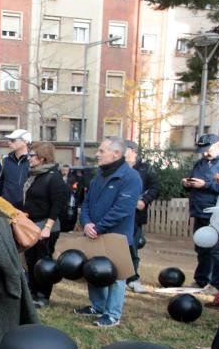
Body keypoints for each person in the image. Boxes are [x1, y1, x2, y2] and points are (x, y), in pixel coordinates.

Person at [75, 137, 142, 328]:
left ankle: (112, 314)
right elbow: (86, 202)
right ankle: (97, 306)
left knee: (116, 275)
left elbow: (123, 209)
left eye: (102, 151)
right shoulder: (99, 177)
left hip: (117, 236)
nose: (97, 154)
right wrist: (86, 223)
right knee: (93, 269)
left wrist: (98, 227)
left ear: (116, 154)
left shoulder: (130, 177)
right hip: (94, 233)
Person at [20, 142, 68, 307]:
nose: (29, 158)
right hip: (31, 225)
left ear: (42, 158)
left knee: (44, 263)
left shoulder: (53, 177)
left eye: (32, 155)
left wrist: (47, 227)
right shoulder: (34, 175)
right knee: (31, 261)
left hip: (46, 226)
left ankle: (43, 296)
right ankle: (32, 292)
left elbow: (57, 205)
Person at [182, 134, 219, 292]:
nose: (205, 153)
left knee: (217, 250)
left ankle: (216, 284)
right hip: (199, 211)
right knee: (201, 247)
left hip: (216, 214)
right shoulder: (200, 163)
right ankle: (201, 280)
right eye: (202, 151)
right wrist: (188, 183)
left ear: (218, 146)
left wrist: (206, 185)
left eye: (208, 150)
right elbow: (195, 181)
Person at [124, 140, 160, 293]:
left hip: (135, 215)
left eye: (123, 149)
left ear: (132, 151)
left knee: (132, 246)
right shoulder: (118, 168)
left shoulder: (146, 169)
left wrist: (144, 201)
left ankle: (132, 278)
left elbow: (155, 187)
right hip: (118, 213)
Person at [0, 129, 31, 207]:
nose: (9, 142)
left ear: (25, 142)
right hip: (5, 207)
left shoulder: (32, 162)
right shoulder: (4, 161)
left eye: (13, 140)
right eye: (9, 140)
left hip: (26, 211)